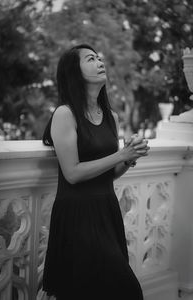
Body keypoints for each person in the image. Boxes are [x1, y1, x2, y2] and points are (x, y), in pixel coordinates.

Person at [42, 44, 149, 300]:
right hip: (77, 216)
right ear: (74, 72)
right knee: (126, 291)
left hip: (106, 211)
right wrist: (121, 154)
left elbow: (108, 174)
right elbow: (73, 173)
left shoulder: (112, 116)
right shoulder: (65, 114)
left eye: (100, 58)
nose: (100, 62)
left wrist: (129, 158)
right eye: (91, 59)